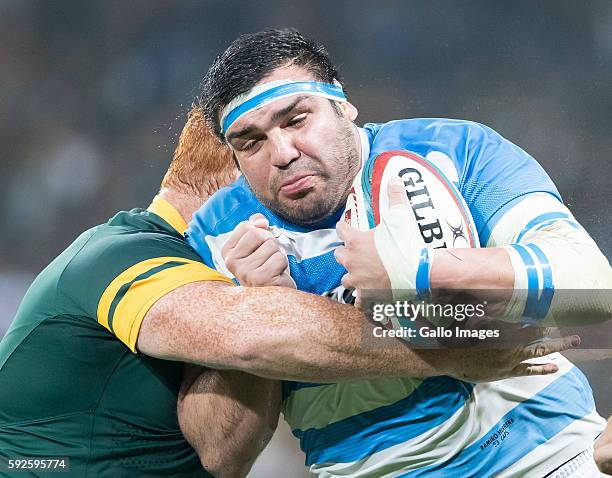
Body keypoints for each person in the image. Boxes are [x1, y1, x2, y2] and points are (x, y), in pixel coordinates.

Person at [0, 109, 566, 477]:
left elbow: (229, 451)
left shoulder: (227, 281)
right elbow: (263, 334)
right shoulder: (119, 255)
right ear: (241, 179)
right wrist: (454, 340)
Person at [186, 28, 612, 477]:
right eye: (251, 142)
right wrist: (257, 316)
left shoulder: (452, 150)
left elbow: (594, 290)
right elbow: (222, 455)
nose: (283, 153)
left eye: (296, 120)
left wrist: (421, 272)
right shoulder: (217, 240)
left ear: (342, 105)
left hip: (551, 458)